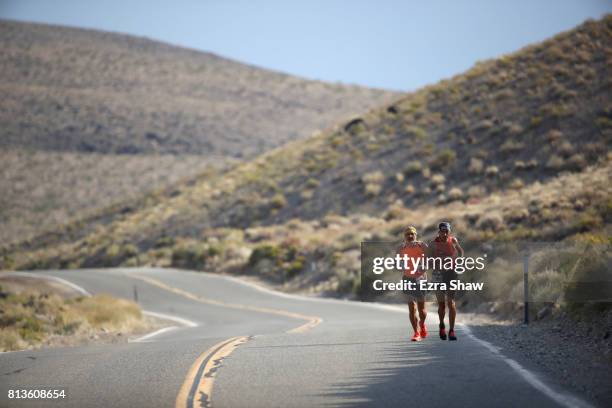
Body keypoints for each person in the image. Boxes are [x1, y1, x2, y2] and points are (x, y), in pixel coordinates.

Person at [429, 222, 464, 341]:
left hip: (451, 274)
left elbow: (460, 252)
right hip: (438, 274)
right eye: (442, 231)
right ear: (438, 232)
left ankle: (452, 330)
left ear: (449, 232)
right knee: (442, 305)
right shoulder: (433, 244)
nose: (444, 233)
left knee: (451, 302)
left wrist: (457, 260)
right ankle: (442, 326)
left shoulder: (453, 240)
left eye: (446, 231)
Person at [398, 226, 428, 342]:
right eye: (407, 234)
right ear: (404, 237)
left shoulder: (422, 246)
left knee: (422, 310)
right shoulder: (401, 248)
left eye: (412, 234)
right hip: (407, 278)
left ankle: (422, 324)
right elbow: (397, 262)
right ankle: (416, 332)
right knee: (411, 308)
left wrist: (424, 266)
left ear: (416, 235)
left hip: (420, 279)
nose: (410, 236)